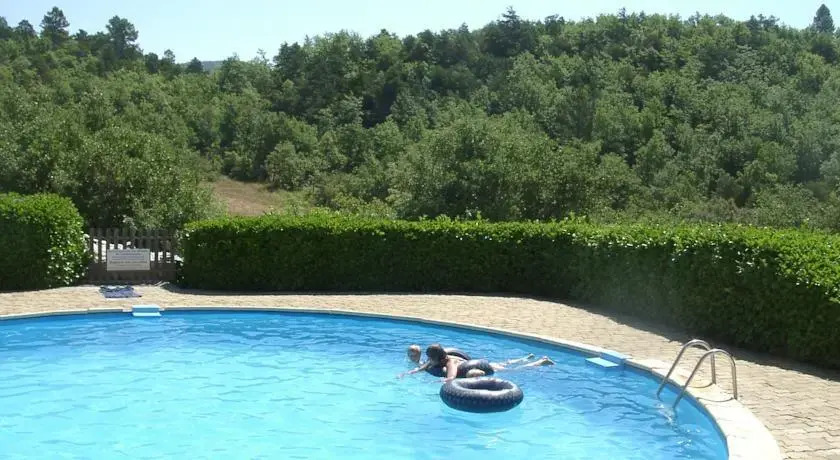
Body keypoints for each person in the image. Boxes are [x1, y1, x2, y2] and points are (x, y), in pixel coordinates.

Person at [425, 343, 554, 383]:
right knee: (504, 364)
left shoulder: (450, 363)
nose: (429, 361)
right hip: (483, 363)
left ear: (439, 359)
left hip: (482, 367)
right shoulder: (447, 357)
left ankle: (539, 363)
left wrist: (442, 381)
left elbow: (452, 376)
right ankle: (525, 358)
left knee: (511, 371)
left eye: (430, 359)